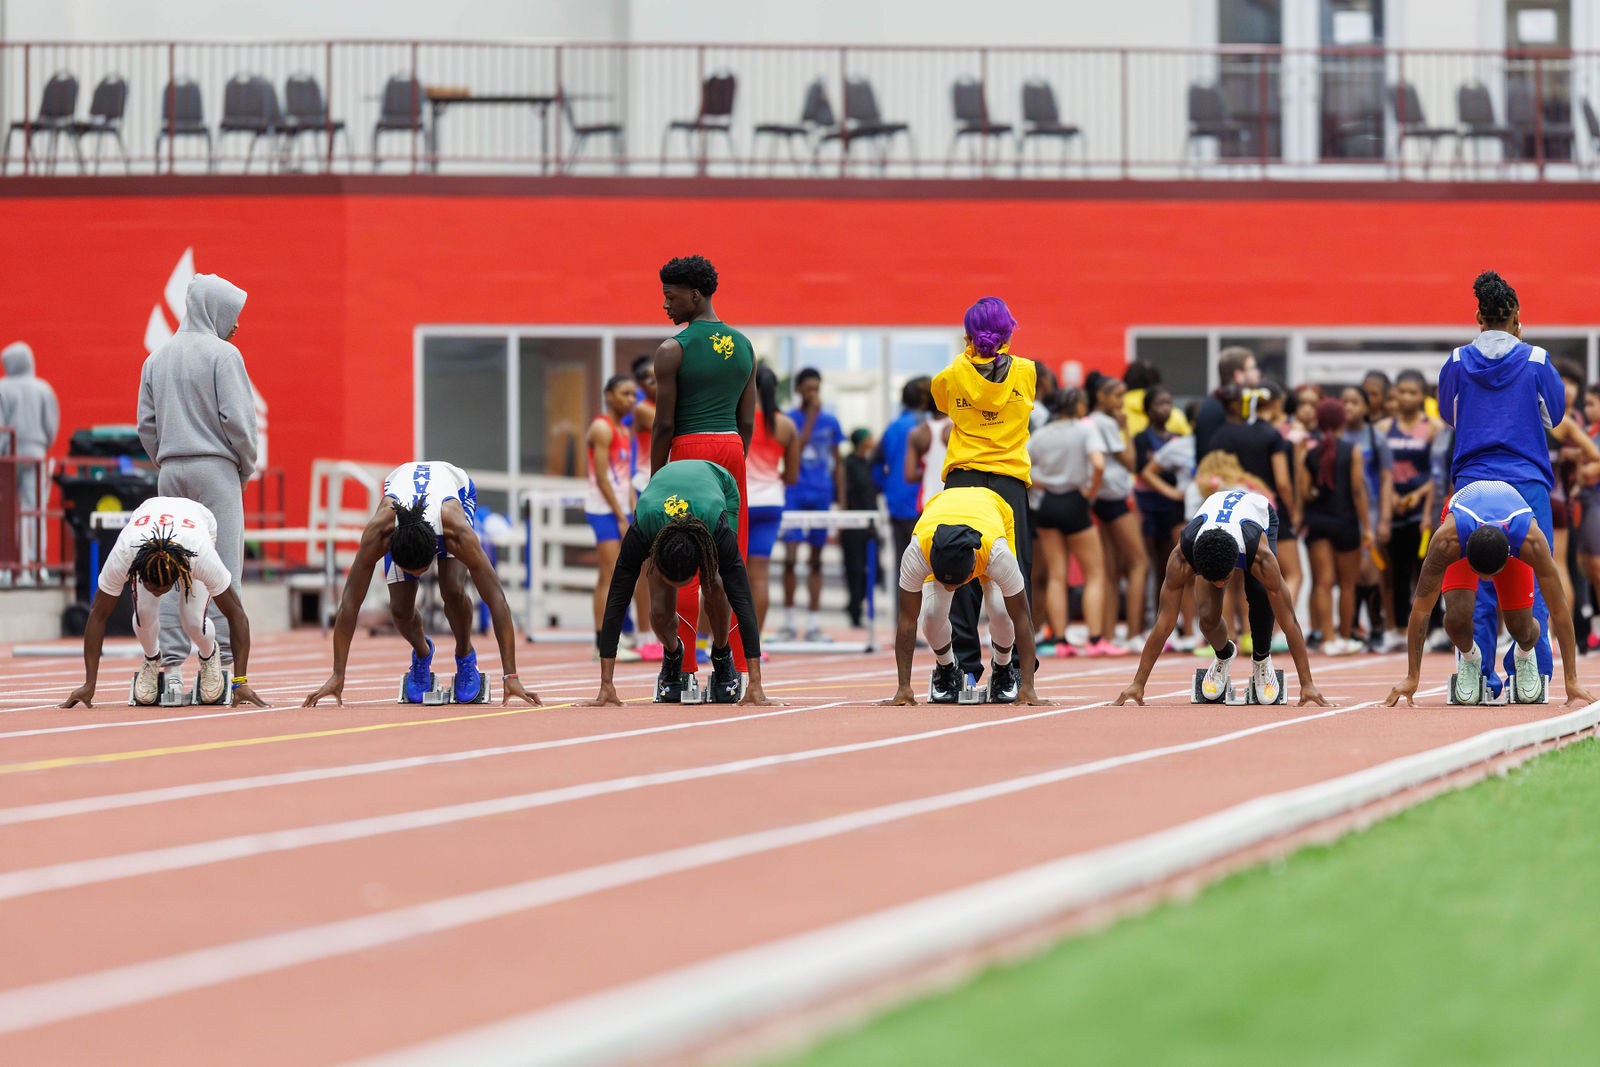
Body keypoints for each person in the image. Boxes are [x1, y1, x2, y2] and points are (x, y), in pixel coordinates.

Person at [303, 461, 539, 707]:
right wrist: (337, 674)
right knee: (400, 610)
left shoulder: (457, 532)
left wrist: (511, 676)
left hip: (457, 493)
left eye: (423, 571)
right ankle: (423, 653)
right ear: (391, 547)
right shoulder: (379, 532)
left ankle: (465, 654)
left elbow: (496, 599)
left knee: (452, 590)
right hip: (405, 497)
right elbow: (350, 602)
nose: (421, 576)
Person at [1438, 270, 1569, 697]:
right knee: (1534, 577)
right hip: (1526, 481)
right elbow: (1555, 417)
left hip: (1473, 483)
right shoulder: (1537, 360)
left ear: (1479, 318)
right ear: (1517, 318)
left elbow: (1449, 416)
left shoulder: (1456, 361)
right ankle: (1532, 674)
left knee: (1475, 578)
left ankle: (1476, 674)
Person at [136, 273, 258, 692]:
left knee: (167, 568)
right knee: (223, 572)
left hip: (171, 471)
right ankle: (220, 669)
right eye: (232, 314)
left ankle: (168, 669)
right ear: (213, 310)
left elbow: (146, 425)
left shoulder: (156, 358)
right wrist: (244, 468)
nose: (236, 324)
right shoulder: (224, 355)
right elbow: (238, 423)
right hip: (216, 470)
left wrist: (166, 459)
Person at [1385, 479, 1595, 707]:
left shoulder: (1530, 541)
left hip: (1510, 529)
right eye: (1480, 574)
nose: (1486, 580)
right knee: (1455, 619)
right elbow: (1422, 608)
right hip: (1466, 525)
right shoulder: (1447, 541)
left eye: (1491, 574)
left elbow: (1559, 609)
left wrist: (1572, 680)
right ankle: (1469, 659)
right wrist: (1412, 677)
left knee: (1521, 628)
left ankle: (1525, 654)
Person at [582, 459, 774, 707]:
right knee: (660, 609)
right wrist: (606, 684)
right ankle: (673, 654)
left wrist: (756, 682)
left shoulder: (717, 528)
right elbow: (617, 600)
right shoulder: (642, 531)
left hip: (720, 485)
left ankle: (721, 653)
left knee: (717, 585)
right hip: (662, 492)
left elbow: (743, 599)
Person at [1115, 486, 1329, 708]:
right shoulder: (1181, 558)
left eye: (1225, 578)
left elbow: (1289, 620)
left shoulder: (1260, 556)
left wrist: (1307, 683)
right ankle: (1224, 653)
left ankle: (1261, 660)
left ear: (1236, 561)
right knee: (1207, 618)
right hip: (1215, 521)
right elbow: (1164, 621)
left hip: (1260, 515)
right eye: (1213, 579)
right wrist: (1138, 683)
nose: (1220, 584)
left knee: (1260, 594)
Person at [647, 255, 757, 672]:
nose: (665, 305)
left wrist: (657, 478)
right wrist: (733, 459)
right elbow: (747, 420)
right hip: (731, 449)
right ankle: (734, 668)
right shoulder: (744, 345)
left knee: (684, 557)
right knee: (731, 561)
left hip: (689, 450)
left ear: (694, 296)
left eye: (670, 297)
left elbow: (663, 424)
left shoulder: (672, 349)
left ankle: (684, 666)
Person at [61, 496, 267, 708]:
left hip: (198, 519)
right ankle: (152, 659)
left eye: (163, 589)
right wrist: (89, 683)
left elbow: (236, 614)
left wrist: (240, 682)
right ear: (139, 571)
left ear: (178, 574)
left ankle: (209, 655)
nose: (158, 594)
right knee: (144, 614)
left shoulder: (200, 556)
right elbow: (98, 614)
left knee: (193, 620)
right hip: (149, 513)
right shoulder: (125, 553)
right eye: (151, 587)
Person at [930, 297, 1038, 684]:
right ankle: (1014, 669)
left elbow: (946, 405)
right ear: (1008, 334)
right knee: (1013, 574)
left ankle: (963, 669)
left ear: (967, 336)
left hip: (963, 480)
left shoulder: (947, 377)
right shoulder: (1027, 372)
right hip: (1008, 482)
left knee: (959, 570)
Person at [879, 486, 1044, 706]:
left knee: (1001, 610)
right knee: (932, 614)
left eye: (955, 584)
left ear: (973, 568)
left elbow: (1022, 616)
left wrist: (1028, 688)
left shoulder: (997, 554)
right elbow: (907, 620)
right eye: (944, 582)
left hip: (993, 511)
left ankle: (1003, 668)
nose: (950, 589)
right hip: (941, 509)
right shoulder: (918, 552)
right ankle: (947, 668)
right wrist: (903, 688)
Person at [1029, 387, 1118, 656]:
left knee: (1057, 575)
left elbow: (1022, 466)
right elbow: (1099, 463)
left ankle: (1060, 640)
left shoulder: (1042, 433)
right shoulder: (1085, 429)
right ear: (1078, 405)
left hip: (1048, 504)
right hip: (1075, 502)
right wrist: (1091, 491)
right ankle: (1095, 639)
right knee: (1094, 574)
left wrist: (1044, 483)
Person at [1377, 370, 1441, 654]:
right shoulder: (1383, 428)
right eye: (1401, 392)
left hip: (1421, 509)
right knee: (1397, 572)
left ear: (1423, 396)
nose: (1406, 397)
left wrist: (1419, 496)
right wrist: (1390, 496)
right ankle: (1401, 629)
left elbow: (1437, 473)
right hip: (1393, 508)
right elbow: (1378, 471)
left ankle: (1433, 628)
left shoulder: (1433, 428)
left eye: (1412, 392)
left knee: (1426, 570)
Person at [1300, 399, 1371, 655]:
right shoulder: (1352, 450)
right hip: (1345, 521)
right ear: (1342, 422)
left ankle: (1328, 639)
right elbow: (1357, 490)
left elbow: (1305, 493)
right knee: (1348, 585)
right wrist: (1367, 526)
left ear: (1319, 423)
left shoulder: (1310, 454)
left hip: (1318, 522)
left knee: (1323, 582)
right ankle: (1345, 637)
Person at [779, 367, 844, 641]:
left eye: (816, 388)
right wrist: (811, 418)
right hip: (794, 492)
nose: (813, 394)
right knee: (790, 558)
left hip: (821, 494)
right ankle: (788, 622)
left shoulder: (831, 421)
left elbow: (838, 462)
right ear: (798, 390)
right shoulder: (788, 420)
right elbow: (795, 447)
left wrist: (842, 501)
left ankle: (814, 624)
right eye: (808, 388)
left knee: (816, 559)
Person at [1087, 374, 1146, 648]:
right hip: (1115, 498)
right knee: (1139, 563)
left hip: (1100, 498)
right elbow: (1131, 462)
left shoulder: (1089, 420)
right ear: (1101, 396)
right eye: (1117, 396)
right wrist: (1126, 429)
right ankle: (1133, 634)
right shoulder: (1108, 423)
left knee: (1110, 571)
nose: (1121, 402)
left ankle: (1109, 635)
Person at [745, 364, 800, 635]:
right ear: (775, 390)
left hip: (738, 503)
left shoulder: (736, 420)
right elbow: (791, 477)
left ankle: (708, 642)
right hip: (770, 503)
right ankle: (754, 644)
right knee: (759, 576)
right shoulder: (787, 426)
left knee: (722, 574)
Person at [585, 374, 638, 658]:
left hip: (619, 510)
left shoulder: (623, 430)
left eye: (633, 395)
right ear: (609, 395)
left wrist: (633, 510)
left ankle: (610, 636)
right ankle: (602, 644)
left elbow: (625, 478)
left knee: (615, 575)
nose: (631, 400)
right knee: (609, 576)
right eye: (624, 393)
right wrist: (620, 516)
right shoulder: (601, 428)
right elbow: (602, 478)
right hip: (603, 510)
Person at [1341, 385, 1394, 650]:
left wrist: (1384, 518)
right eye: (1344, 401)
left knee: (1369, 570)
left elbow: (1386, 478)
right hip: (1342, 511)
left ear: (1365, 407)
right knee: (1349, 572)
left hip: (1370, 511)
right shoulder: (1335, 436)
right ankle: (1351, 626)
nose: (1348, 406)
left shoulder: (1376, 438)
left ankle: (1376, 626)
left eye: (1354, 401)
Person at [0, 341, 58, 577]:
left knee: (6, 513)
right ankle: (38, 565)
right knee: (36, 510)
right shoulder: (43, 389)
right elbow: (51, 425)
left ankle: (6, 567)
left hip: (8, 458)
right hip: (36, 455)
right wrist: (41, 445)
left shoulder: (2, 388)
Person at [874, 376, 930, 576]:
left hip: (896, 503)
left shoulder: (893, 426)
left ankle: (901, 599)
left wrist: (887, 486)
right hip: (921, 503)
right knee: (927, 568)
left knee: (903, 566)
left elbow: (876, 463)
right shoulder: (927, 427)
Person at [841, 428, 880, 628]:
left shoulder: (869, 463)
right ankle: (854, 609)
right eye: (869, 437)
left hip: (870, 523)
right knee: (854, 568)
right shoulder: (848, 464)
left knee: (874, 569)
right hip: (853, 523)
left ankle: (857, 604)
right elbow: (844, 493)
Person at [1194, 345, 1260, 461]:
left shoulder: (1216, 402)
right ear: (1238, 375)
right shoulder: (1217, 406)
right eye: (1252, 368)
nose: (1258, 373)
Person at [1123, 360, 1194, 437]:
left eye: (1167, 403)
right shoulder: (1175, 415)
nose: (1165, 408)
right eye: (1160, 403)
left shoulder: (1119, 411)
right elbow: (1189, 439)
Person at [905, 396, 951, 509]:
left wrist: (930, 470)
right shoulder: (957, 428)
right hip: (953, 500)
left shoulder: (917, 433)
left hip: (928, 500)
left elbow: (910, 475)